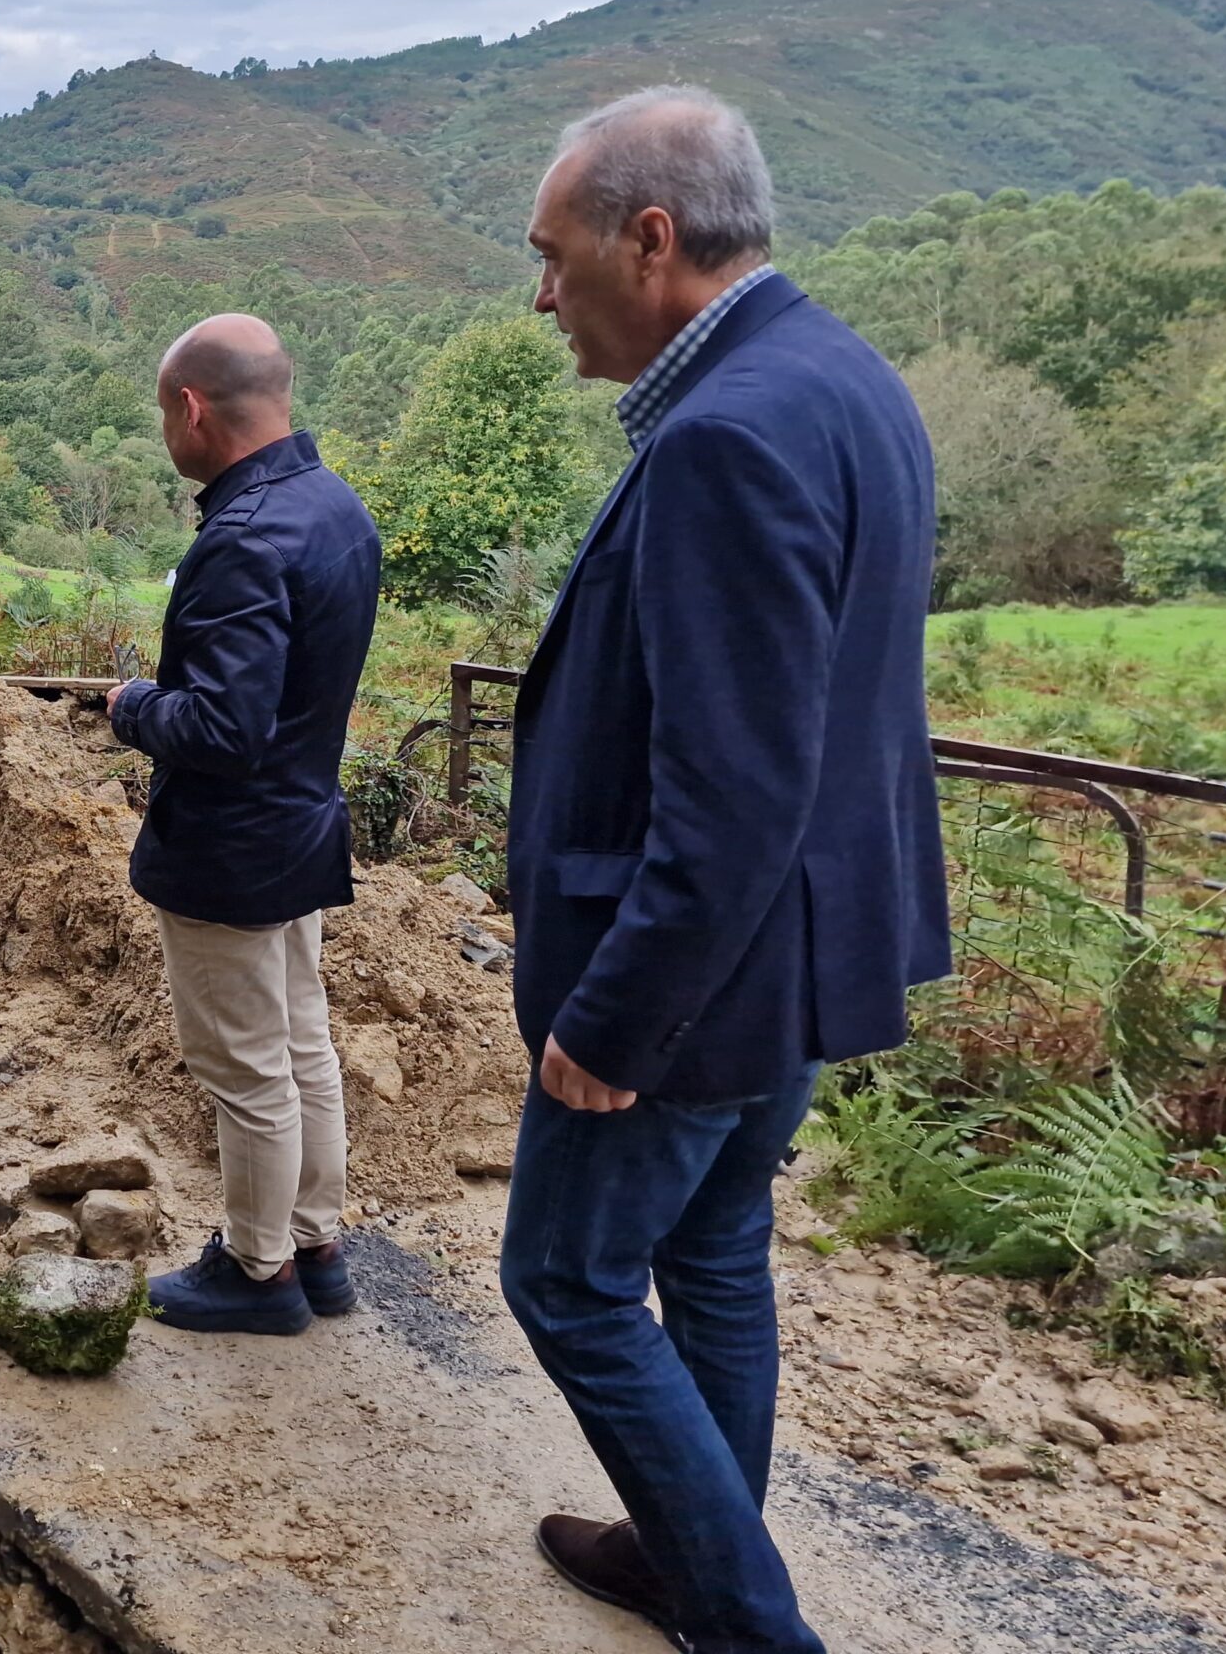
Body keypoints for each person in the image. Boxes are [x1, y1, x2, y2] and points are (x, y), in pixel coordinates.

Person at [499, 86, 948, 1653]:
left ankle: (751, 1626)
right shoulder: (847, 381)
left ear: (653, 237)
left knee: (564, 1281)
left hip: (698, 973)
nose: (543, 297)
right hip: (802, 954)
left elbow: (733, 789)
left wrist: (617, 1018)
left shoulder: (727, 438)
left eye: (555, 259)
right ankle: (685, 1555)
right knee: (711, 1254)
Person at [106, 314, 382, 1337]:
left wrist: (133, 706)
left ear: (189, 408)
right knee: (300, 1043)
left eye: (160, 414)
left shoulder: (242, 539)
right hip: (302, 823)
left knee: (243, 1067)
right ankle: (315, 1247)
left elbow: (222, 726)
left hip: (230, 843)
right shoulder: (332, 508)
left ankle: (257, 1272)